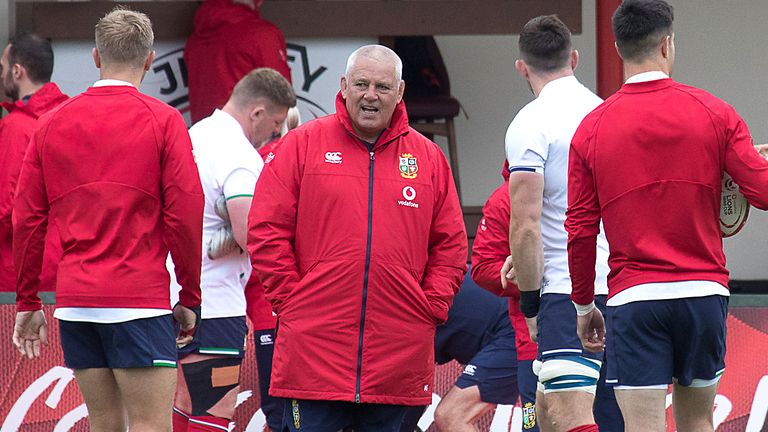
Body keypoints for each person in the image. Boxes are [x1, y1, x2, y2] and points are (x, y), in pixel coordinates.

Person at [566, 1, 768, 431]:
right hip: (702, 293)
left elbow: (581, 230)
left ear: (618, 47)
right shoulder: (716, 112)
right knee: (697, 424)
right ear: (668, 43)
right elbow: (763, 192)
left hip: (635, 299)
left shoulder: (592, 128)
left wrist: (584, 304)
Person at [247, 44, 467, 431]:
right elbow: (265, 229)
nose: (370, 95)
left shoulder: (428, 159)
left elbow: (450, 245)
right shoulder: (302, 145)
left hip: (396, 357)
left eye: (382, 86)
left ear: (400, 93)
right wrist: (293, 301)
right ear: (344, 86)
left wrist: (428, 307)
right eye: (362, 84)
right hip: (314, 357)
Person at [12, 9, 204, 432]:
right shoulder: (165, 120)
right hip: (139, 299)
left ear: (96, 57)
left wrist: (28, 300)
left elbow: (27, 219)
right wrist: (190, 292)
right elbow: (186, 213)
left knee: (105, 424)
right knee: (151, 426)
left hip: (78, 301)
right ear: (150, 59)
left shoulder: (49, 123)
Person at [501, 15, 621, 432]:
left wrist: (530, 303)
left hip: (565, 291)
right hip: (623, 288)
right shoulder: (609, 114)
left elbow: (527, 226)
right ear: (574, 58)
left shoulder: (529, 123)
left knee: (563, 419)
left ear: (522, 66)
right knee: (613, 420)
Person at [171, 68, 295, 432]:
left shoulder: (195, 134)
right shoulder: (240, 156)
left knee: (183, 401)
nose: (274, 133)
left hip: (174, 296)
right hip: (217, 305)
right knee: (215, 407)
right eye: (274, 123)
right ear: (256, 113)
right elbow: (251, 233)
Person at [399, 270, 518, 432]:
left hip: (514, 329)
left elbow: (408, 389)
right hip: (510, 326)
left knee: (452, 415)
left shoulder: (400, 301)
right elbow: (412, 392)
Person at [471, 162, 539, 432]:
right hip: (534, 343)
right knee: (537, 426)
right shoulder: (505, 197)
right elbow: (483, 267)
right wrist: (531, 279)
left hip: (601, 334)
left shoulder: (587, 182)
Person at [245, 104, 301, 432]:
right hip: (305, 311)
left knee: (279, 412)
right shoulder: (310, 159)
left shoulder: (259, 159)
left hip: (269, 307)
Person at [0, 33, 68, 293]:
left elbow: (5, 207)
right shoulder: (70, 117)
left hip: (19, 270)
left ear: (18, 72)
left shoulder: (17, 126)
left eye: (3, 68)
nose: (2, 74)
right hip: (66, 264)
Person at [184, 0, 292, 124]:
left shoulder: (195, 41)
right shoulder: (263, 35)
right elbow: (283, 99)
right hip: (247, 138)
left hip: (203, 137)